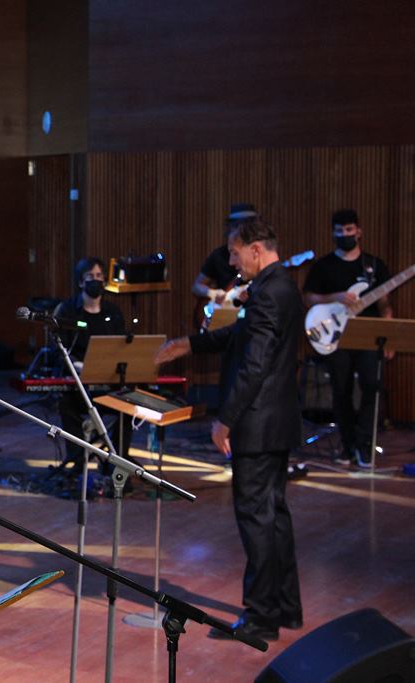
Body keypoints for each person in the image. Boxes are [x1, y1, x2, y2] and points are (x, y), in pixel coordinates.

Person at [155, 218, 303, 641]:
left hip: (257, 422)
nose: (232, 263)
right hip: (277, 421)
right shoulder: (281, 286)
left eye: (235, 254)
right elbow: (240, 335)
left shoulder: (268, 293)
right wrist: (189, 344)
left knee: (256, 518)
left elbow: (254, 365)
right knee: (274, 516)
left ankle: (260, 617)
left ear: (256, 249)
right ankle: (285, 608)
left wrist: (226, 419)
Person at [302, 209, 393, 468]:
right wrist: (336, 297)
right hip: (336, 336)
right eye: (339, 231)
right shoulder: (323, 266)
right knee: (341, 389)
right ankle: (348, 444)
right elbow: (308, 297)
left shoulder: (374, 265)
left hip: (369, 337)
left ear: (359, 232)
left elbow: (385, 304)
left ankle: (365, 444)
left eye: (349, 230)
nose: (345, 234)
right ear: (333, 233)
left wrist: (388, 336)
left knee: (371, 386)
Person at [53, 257, 131, 486]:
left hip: (109, 383)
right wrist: (79, 366)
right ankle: (78, 461)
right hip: (79, 384)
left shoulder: (113, 312)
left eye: (99, 277)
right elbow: (60, 350)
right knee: (66, 403)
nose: (96, 281)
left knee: (126, 407)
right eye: (90, 277)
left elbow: (122, 347)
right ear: (80, 282)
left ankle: (118, 462)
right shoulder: (67, 311)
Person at [191, 203, 259, 316]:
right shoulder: (219, 255)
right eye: (237, 226)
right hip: (226, 313)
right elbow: (196, 286)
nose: (232, 261)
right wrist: (213, 293)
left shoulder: (259, 257)